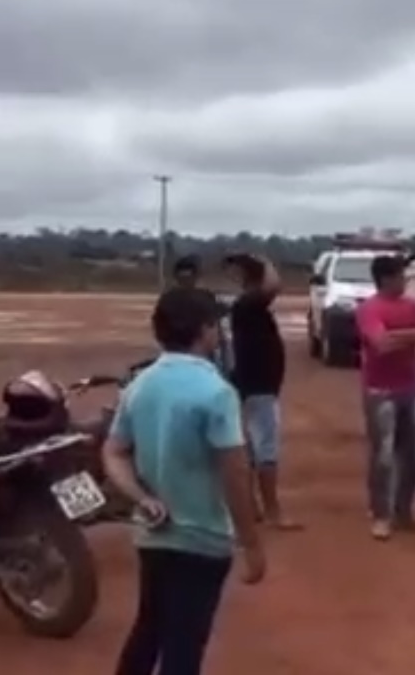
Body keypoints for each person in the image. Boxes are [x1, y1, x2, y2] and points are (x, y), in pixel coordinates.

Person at [104, 287, 265, 675]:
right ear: (206, 329)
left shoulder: (139, 386)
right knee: (184, 647)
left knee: (149, 630)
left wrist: (141, 497)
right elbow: (235, 471)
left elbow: (114, 451)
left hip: (153, 534)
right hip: (204, 538)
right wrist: (252, 543)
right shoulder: (216, 393)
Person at [355, 255, 415, 540]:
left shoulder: (414, 305)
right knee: (384, 456)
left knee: (413, 455)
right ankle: (380, 514)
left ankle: (404, 512)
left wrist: (398, 336)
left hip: (409, 388)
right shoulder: (369, 308)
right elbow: (381, 344)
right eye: (401, 276)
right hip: (380, 391)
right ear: (386, 279)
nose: (405, 281)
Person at [225, 253, 301, 531]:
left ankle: (251, 507)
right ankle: (272, 512)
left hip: (251, 384)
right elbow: (274, 286)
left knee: (248, 449)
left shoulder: (246, 306)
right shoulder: (249, 304)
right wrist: (265, 260)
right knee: (264, 450)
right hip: (258, 386)